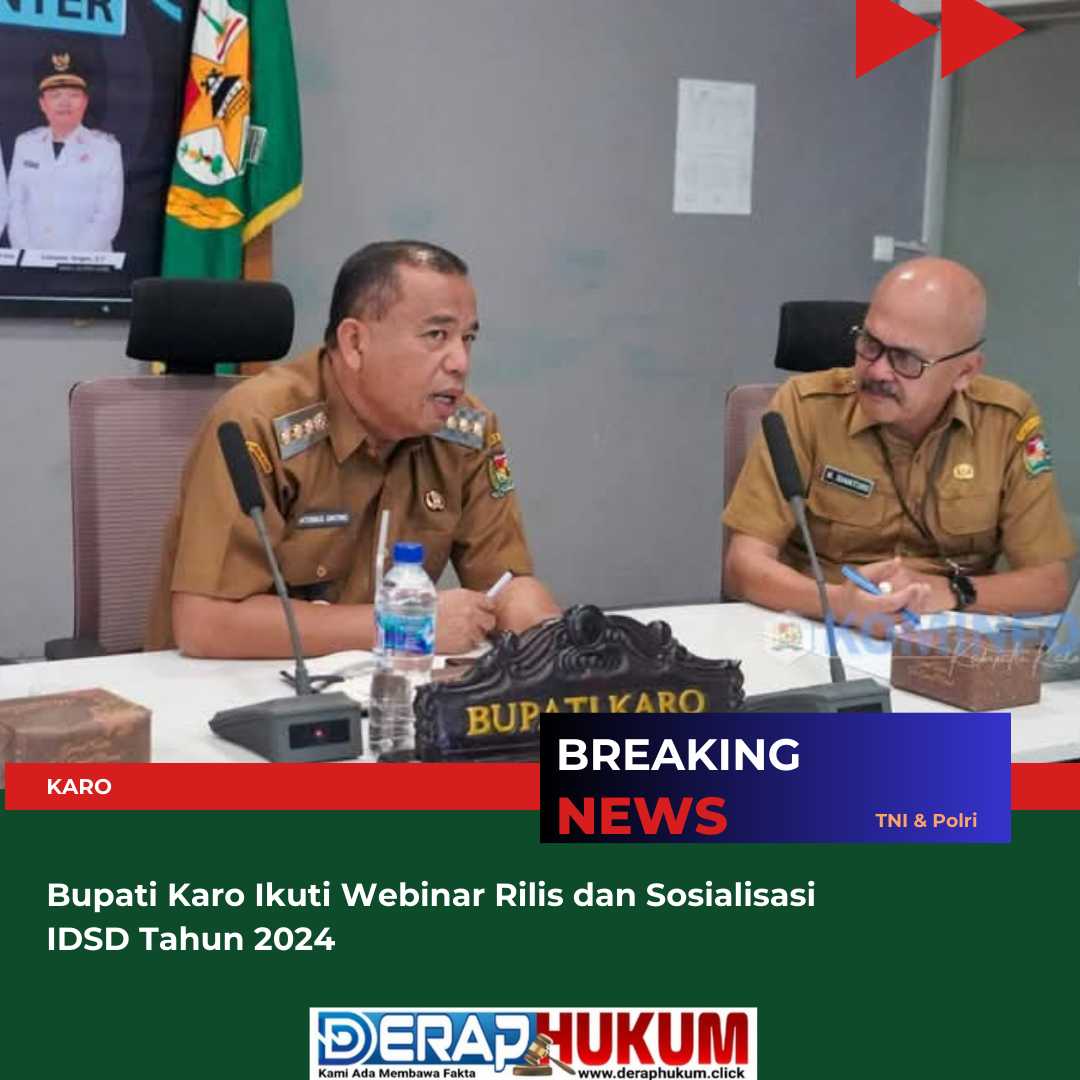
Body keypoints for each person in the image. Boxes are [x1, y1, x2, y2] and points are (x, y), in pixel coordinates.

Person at [146, 241, 561, 657]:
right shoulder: (256, 425)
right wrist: (403, 625)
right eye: (436, 335)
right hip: (231, 687)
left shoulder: (466, 433)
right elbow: (205, 625)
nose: (460, 362)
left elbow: (507, 586)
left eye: (467, 338)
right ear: (355, 343)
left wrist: (563, 650)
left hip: (387, 686)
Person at [723, 257, 1075, 629]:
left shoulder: (1005, 420)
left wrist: (950, 591)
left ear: (964, 372)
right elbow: (742, 566)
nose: (877, 370)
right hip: (821, 630)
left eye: (905, 359)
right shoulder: (805, 407)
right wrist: (840, 604)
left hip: (948, 635)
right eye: (870, 343)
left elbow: (1049, 584)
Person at [6, 51, 123, 252]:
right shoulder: (25, 144)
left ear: (85, 101)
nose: (64, 102)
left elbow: (107, 217)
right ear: (42, 104)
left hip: (87, 263)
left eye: (73, 95)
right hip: (31, 261)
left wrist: (69, 261)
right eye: (55, 95)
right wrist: (28, 255)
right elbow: (15, 207)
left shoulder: (106, 149)